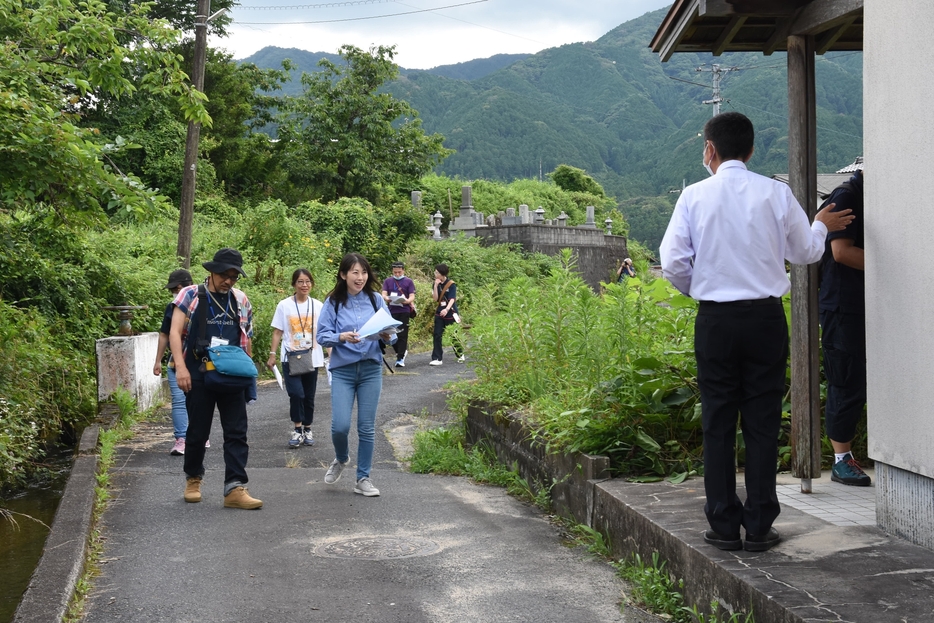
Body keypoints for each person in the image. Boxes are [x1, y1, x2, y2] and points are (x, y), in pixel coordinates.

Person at [659, 112, 854, 552]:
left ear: (710, 149)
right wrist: (822, 223)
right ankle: (760, 524)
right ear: (750, 150)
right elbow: (805, 252)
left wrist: (705, 290)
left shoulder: (693, 196)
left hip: (716, 321)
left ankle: (724, 526)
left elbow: (672, 263)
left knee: (718, 422)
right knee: (763, 422)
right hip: (765, 320)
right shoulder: (775, 193)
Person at [169, 248, 262, 510]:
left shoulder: (241, 300)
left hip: (232, 372)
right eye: (224, 275)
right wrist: (180, 368)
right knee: (198, 431)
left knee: (237, 431)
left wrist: (249, 377)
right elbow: (175, 332)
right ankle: (193, 478)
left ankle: (235, 487)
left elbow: (247, 340)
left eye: (234, 276)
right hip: (198, 371)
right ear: (212, 272)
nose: (228, 281)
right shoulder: (190, 295)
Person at [316, 253, 397, 497]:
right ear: (343, 275)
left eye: (363, 272)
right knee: (340, 426)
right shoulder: (333, 302)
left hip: (371, 368)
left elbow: (392, 333)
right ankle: (341, 458)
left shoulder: (375, 300)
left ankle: (363, 478)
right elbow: (321, 335)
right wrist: (341, 337)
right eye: (354, 272)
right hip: (343, 369)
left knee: (366, 427)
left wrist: (387, 336)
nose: (360, 277)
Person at [818, 165, 870, 486]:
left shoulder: (869, 196)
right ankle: (840, 460)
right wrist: (902, 264)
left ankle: (847, 456)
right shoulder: (848, 195)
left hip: (862, 305)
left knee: (859, 380)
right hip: (842, 307)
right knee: (845, 378)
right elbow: (840, 251)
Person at [267, 269, 324, 448]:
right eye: (300, 282)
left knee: (309, 395)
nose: (304, 285)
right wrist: (272, 354)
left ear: (312, 284)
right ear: (294, 284)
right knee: (296, 393)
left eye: (307, 281)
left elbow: (324, 332)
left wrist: (331, 353)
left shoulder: (318, 305)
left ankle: (307, 428)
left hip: (312, 356)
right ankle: (297, 428)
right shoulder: (284, 305)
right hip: (290, 356)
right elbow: (277, 331)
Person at [153, 269, 195, 456]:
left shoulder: (202, 305)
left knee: (197, 401)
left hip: (197, 361)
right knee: (179, 401)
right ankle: (182, 438)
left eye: (173, 289)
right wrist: (158, 361)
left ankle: (196, 436)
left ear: (179, 288)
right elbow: (164, 335)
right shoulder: (172, 307)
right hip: (175, 363)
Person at [381, 261, 416, 368]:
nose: (397, 274)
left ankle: (400, 358)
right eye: (395, 272)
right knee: (392, 333)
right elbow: (384, 293)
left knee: (402, 333)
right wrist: (386, 298)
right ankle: (400, 351)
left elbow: (412, 296)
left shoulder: (409, 281)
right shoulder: (388, 281)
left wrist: (406, 301)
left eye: (399, 272)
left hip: (404, 310)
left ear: (403, 271)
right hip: (391, 310)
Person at [429, 263, 463, 366]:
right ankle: (437, 358)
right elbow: (435, 299)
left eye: (437, 272)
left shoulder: (451, 284)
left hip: (450, 312)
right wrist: (435, 286)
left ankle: (460, 353)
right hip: (439, 312)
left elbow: (452, 299)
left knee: (453, 334)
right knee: (437, 334)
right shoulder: (436, 283)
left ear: (442, 274)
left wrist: (446, 309)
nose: (435, 274)